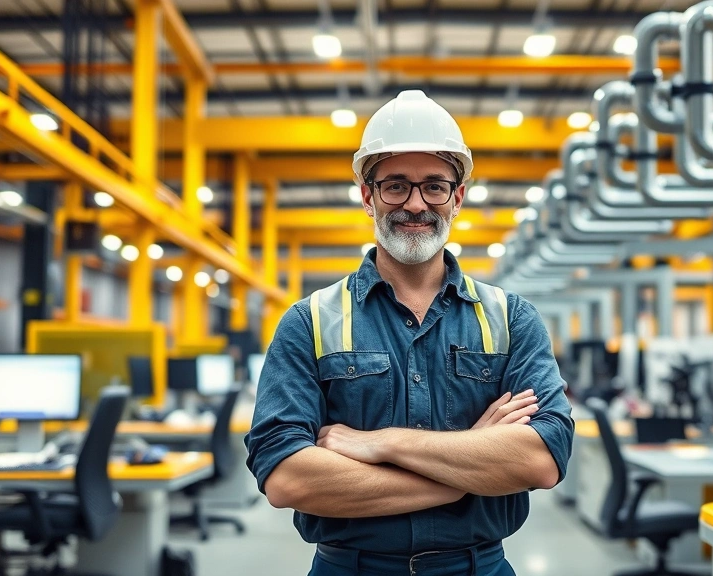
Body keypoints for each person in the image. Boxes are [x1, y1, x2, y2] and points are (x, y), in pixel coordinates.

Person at [245, 90, 574, 576]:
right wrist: (470, 465)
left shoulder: (512, 318)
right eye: (395, 185)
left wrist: (381, 443)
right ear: (368, 196)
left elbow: (541, 460)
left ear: (457, 197)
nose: (416, 204)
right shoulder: (309, 320)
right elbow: (288, 479)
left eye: (435, 186)